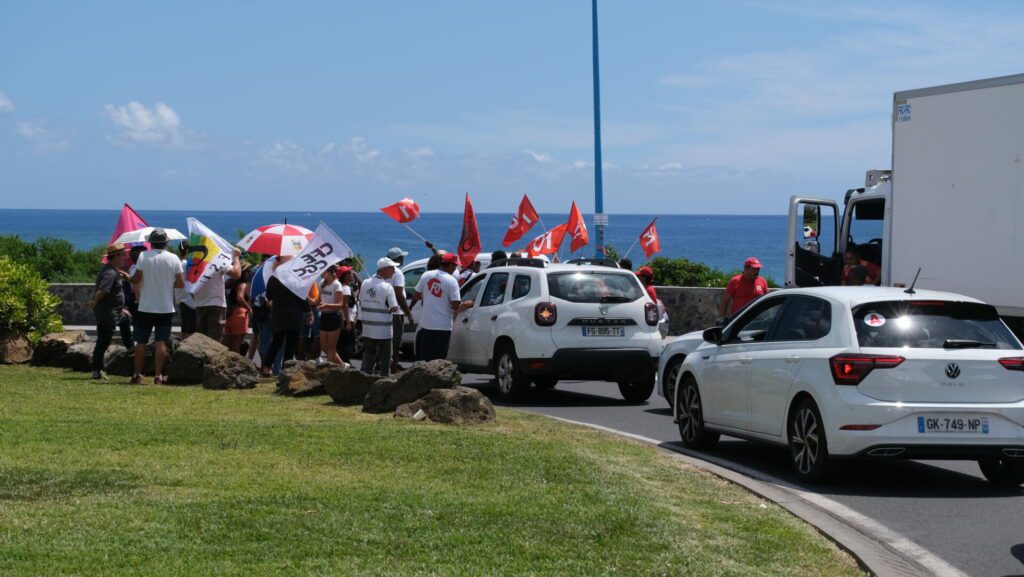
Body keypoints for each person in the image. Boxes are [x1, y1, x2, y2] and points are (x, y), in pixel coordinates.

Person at [130, 228, 184, 385]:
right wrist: (167, 283)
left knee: (140, 342)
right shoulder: (174, 258)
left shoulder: (143, 256)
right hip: (165, 307)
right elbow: (180, 283)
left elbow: (137, 279)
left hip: (145, 306)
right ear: (166, 243)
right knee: (161, 342)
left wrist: (129, 278)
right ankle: (158, 376)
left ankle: (137, 375)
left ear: (151, 243)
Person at [263, 261, 313, 387]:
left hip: (278, 313)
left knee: (276, 342)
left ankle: (266, 368)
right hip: (293, 314)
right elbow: (303, 297)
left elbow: (268, 295)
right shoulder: (297, 278)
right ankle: (286, 371)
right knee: (291, 344)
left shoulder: (274, 278)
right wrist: (308, 312)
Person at [413, 253, 466, 362]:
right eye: (455, 266)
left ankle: (424, 378)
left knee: (425, 358)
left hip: (427, 324)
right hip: (443, 326)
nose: (455, 269)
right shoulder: (452, 281)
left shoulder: (426, 275)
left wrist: (428, 296)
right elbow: (455, 304)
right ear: (450, 265)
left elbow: (416, 295)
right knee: (439, 360)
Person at [90, 243, 129, 380]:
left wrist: (121, 309)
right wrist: (94, 302)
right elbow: (103, 290)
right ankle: (96, 370)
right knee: (103, 342)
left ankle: (130, 348)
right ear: (115, 256)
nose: (125, 257)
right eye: (122, 255)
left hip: (115, 312)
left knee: (125, 321)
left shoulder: (112, 270)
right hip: (108, 314)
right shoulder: (110, 273)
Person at [358, 258, 399, 376]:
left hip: (368, 326)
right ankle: (384, 380)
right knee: (385, 356)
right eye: (392, 268)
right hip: (383, 328)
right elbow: (394, 307)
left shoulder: (365, 283)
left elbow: (361, 300)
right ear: (384, 269)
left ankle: (364, 377)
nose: (394, 271)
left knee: (368, 353)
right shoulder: (387, 287)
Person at [192, 245, 242, 342]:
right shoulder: (217, 260)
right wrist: (236, 257)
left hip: (199, 304)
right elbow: (236, 274)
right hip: (216, 305)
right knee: (214, 342)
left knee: (200, 341)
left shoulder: (193, 262)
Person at [385, 247, 415, 373]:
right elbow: (399, 294)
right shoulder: (397, 273)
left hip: (385, 310)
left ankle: (385, 364)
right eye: (401, 256)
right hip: (396, 312)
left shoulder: (383, 271)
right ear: (396, 259)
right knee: (396, 344)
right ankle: (393, 369)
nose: (403, 258)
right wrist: (408, 313)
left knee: (385, 341)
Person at [317, 265, 348, 367]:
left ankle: (329, 371)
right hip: (324, 316)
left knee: (331, 347)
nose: (321, 272)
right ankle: (342, 366)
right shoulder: (322, 283)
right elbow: (317, 301)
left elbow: (340, 304)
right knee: (324, 347)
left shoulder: (337, 285)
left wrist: (327, 305)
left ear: (329, 271)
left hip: (334, 317)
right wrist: (307, 299)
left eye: (323, 270)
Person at [222, 263, 252, 353]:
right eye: (248, 270)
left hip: (229, 314)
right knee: (237, 342)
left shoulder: (231, 283)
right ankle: (235, 363)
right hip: (239, 313)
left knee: (227, 342)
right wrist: (249, 309)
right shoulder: (242, 284)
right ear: (244, 272)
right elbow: (239, 297)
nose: (249, 272)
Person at [175, 242, 197, 340]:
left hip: (181, 299)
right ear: (188, 251)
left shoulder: (179, 263)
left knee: (184, 329)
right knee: (190, 331)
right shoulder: (186, 264)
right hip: (189, 302)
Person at [337, 266, 358, 363]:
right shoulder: (346, 288)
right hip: (347, 319)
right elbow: (344, 306)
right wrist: (348, 322)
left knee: (343, 342)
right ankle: (344, 362)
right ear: (344, 276)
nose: (352, 274)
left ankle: (343, 361)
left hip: (345, 318)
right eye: (349, 272)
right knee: (349, 342)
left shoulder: (342, 287)